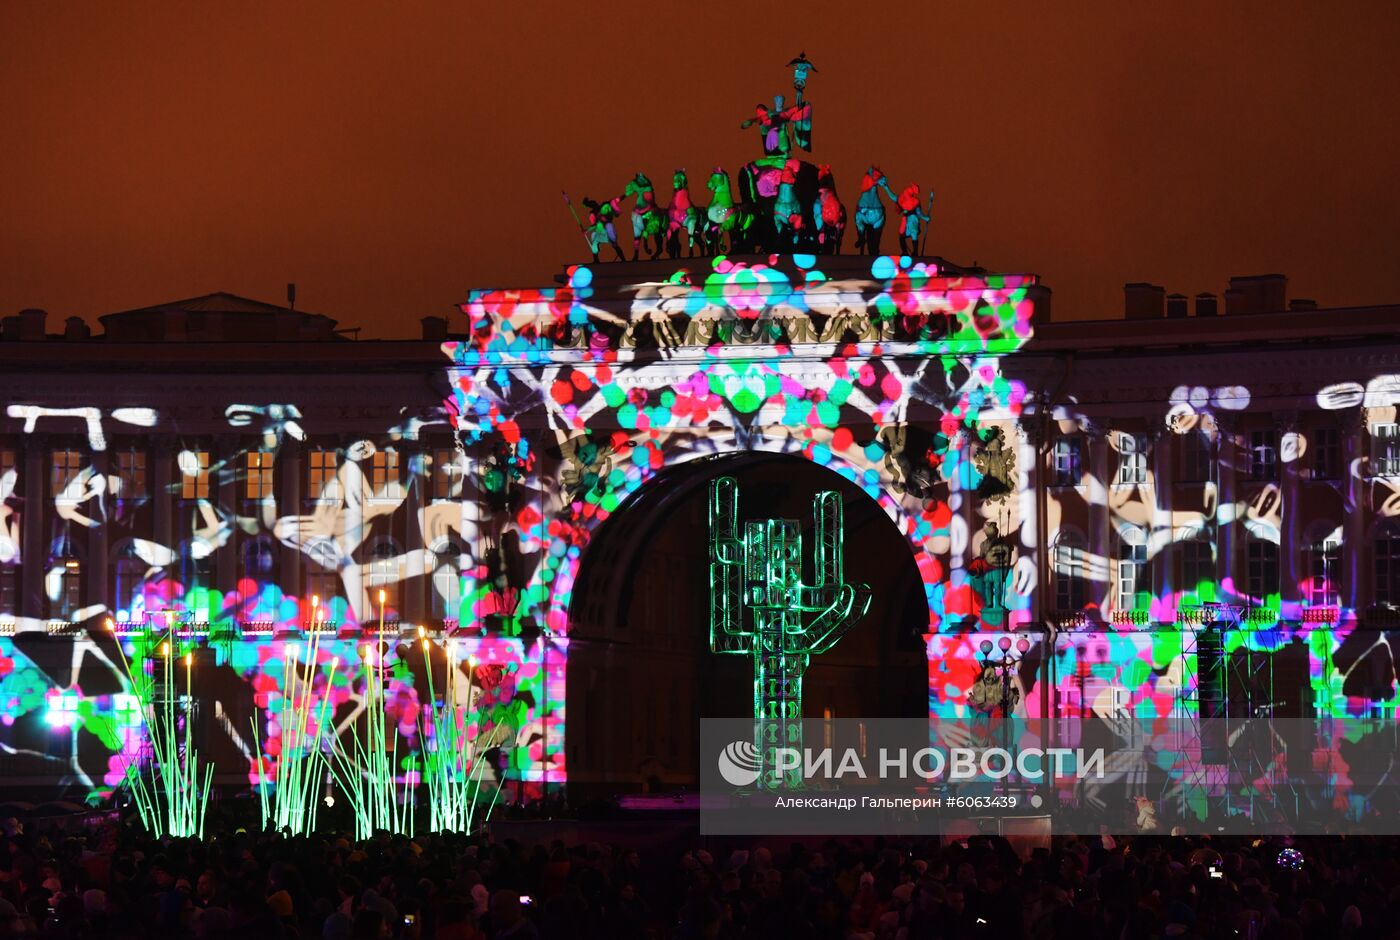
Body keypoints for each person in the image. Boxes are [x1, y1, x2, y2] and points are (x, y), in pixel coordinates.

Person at [854, 166, 898, 255]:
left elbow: (893, 196)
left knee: (876, 237)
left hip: (876, 213)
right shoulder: (868, 181)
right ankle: (860, 237)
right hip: (865, 211)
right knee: (858, 219)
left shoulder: (877, 183)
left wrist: (886, 187)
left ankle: (872, 246)